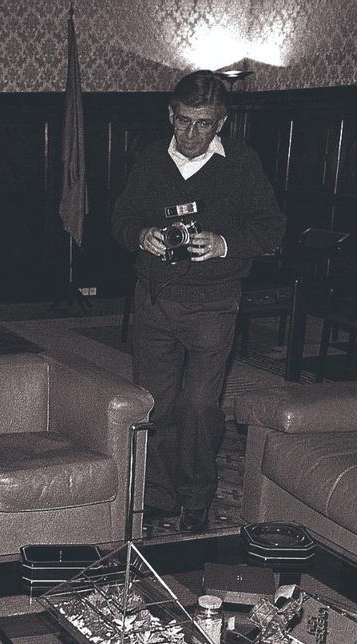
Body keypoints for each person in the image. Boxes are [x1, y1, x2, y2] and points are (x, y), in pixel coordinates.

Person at [111, 70, 285, 532]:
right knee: (156, 405)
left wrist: (225, 243)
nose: (192, 134)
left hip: (213, 304)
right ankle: (158, 496)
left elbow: (271, 226)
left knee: (198, 408)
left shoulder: (242, 164)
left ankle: (195, 499)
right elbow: (120, 218)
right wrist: (140, 234)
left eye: (203, 124)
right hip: (155, 301)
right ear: (171, 114)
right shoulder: (150, 159)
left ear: (221, 122)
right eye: (184, 121)